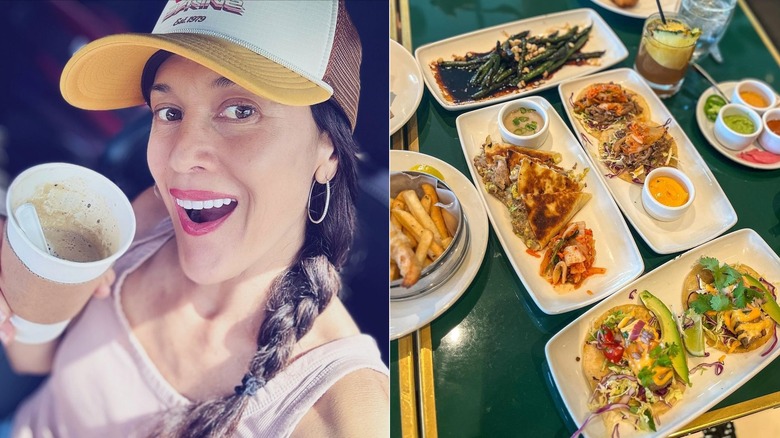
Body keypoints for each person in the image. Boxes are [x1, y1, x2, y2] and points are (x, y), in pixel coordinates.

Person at [0, 0, 389, 437]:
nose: (181, 157)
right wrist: (21, 277)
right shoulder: (146, 219)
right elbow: (31, 359)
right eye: (169, 112)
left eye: (241, 110)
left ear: (329, 150)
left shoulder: (343, 413)